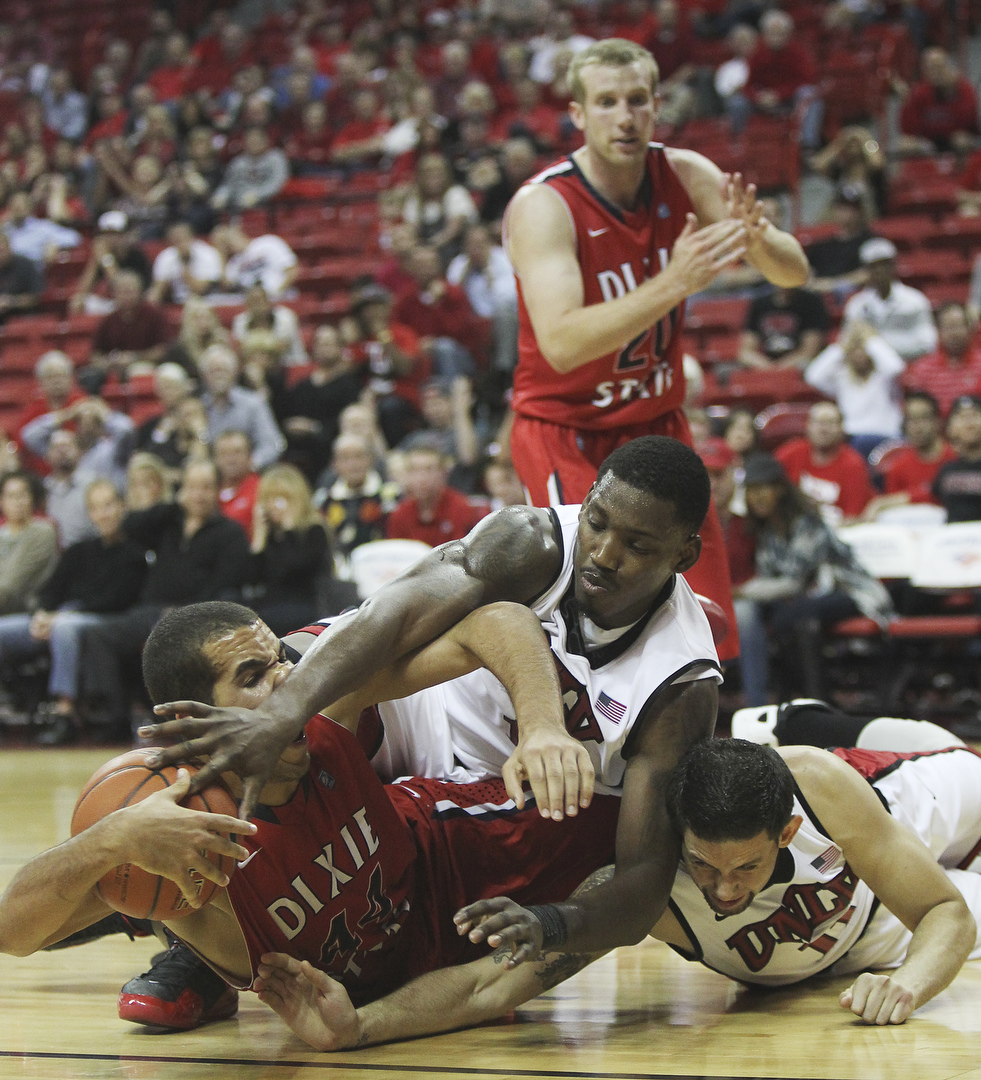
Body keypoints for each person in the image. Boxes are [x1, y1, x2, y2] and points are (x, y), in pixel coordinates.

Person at [141, 436, 724, 966]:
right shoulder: (531, 542)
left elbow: (644, 881)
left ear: (684, 555)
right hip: (425, 696)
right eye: (596, 523)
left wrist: (550, 924)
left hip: (512, 792)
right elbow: (392, 611)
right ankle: (165, 904)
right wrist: (279, 713)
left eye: (636, 546)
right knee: (261, 698)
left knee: (356, 871)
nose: (603, 553)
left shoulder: (680, 688)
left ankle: (211, 946)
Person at [0, 599, 621, 1033]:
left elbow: (496, 619)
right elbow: (12, 931)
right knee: (145, 895)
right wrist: (109, 842)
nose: (289, 682)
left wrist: (541, 725)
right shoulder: (186, 837)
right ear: (193, 720)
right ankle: (172, 940)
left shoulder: (325, 709)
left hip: (451, 857)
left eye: (281, 659)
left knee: (620, 842)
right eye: (254, 676)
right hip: (394, 972)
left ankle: (175, 946)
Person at [252, 734, 981, 1048]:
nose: (725, 890)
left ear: (785, 833)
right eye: (705, 867)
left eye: (745, 869)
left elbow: (940, 912)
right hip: (866, 942)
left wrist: (909, 985)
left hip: (907, 811)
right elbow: (486, 985)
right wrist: (360, 1028)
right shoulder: (640, 892)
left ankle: (827, 723)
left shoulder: (816, 788)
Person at [504, 38, 809, 664]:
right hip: (568, 428)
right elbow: (561, 344)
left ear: (656, 105)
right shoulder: (545, 205)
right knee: (596, 615)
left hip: (657, 425)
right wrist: (674, 282)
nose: (625, 117)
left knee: (702, 614)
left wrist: (759, 239)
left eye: (637, 100)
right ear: (578, 114)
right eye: (607, 102)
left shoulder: (687, 174)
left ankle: (699, 722)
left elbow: (793, 271)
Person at [80, 459, 251, 736]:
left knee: (169, 640)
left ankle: (174, 718)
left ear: (217, 490)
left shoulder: (230, 532)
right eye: (192, 487)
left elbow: (225, 584)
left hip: (195, 617)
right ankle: (114, 718)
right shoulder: (169, 522)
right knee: (99, 634)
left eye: (205, 487)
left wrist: (184, 612)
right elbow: (130, 525)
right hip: (149, 610)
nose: (198, 495)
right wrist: (173, 506)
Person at [733, 453, 892, 708]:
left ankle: (816, 699)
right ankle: (796, 700)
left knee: (794, 617)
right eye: (751, 491)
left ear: (780, 489)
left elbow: (793, 583)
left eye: (763, 489)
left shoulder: (806, 522)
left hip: (848, 591)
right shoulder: (767, 531)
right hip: (806, 600)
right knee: (784, 617)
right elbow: (771, 580)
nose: (757, 497)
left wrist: (742, 592)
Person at [0, 479, 147, 744]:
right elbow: (52, 589)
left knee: (64, 629)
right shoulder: (78, 550)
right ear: (90, 513)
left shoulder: (134, 554)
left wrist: (60, 617)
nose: (104, 514)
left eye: (109, 505)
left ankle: (64, 713)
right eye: (96, 508)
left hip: (101, 619)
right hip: (58, 617)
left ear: (121, 507)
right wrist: (42, 613)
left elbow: (117, 600)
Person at [248, 464, 329, 636]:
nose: (274, 505)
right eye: (269, 498)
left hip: (304, 604)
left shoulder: (314, 531)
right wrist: (259, 540)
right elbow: (251, 580)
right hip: (270, 603)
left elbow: (291, 569)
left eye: (282, 498)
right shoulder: (268, 535)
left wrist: (289, 531)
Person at [804, 323, 905, 458]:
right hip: (851, 437)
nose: (858, 353)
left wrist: (870, 340)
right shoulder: (842, 378)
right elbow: (812, 376)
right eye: (853, 349)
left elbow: (896, 367)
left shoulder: (884, 376)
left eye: (863, 348)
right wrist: (841, 345)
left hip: (886, 435)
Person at [775, 401, 874, 523]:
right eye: (818, 422)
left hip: (839, 528)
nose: (823, 429)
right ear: (807, 426)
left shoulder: (854, 465)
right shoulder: (790, 454)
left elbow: (852, 518)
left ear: (841, 429)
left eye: (830, 423)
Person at [841, 239, 937, 364]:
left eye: (884, 265)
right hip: (868, 370)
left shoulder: (915, 300)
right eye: (873, 266)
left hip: (908, 365)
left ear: (894, 266)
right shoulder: (856, 305)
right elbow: (846, 343)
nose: (879, 270)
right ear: (866, 270)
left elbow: (927, 343)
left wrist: (877, 345)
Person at [865, 391, 957, 518]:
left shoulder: (955, 459)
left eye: (923, 418)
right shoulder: (898, 467)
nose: (917, 426)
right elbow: (892, 509)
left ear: (938, 421)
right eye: (910, 420)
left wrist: (909, 497)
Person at [385, 437, 489, 547]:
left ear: (443, 473)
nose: (422, 478)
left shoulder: (461, 509)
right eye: (414, 470)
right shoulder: (399, 515)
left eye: (429, 469)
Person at [199, 344, 285, 472]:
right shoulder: (198, 406)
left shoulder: (253, 403)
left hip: (249, 473)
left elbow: (273, 445)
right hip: (211, 475)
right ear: (204, 376)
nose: (219, 375)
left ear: (234, 373)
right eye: (213, 371)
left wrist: (250, 465)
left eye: (223, 370)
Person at [901, 303, 981, 419]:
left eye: (959, 326)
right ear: (938, 331)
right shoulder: (922, 369)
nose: (954, 334)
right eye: (948, 327)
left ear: (970, 328)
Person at [0, 471, 58, 617]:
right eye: (11, 496)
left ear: (32, 498)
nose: (17, 502)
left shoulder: (43, 532)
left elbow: (11, 584)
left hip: (27, 611)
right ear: (2, 501)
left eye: (22, 495)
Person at [737, 286, 829, 372]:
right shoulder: (759, 304)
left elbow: (810, 351)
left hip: (800, 366)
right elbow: (746, 352)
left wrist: (780, 368)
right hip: (767, 365)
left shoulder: (811, 302)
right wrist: (768, 367)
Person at [932, 394, 981, 523]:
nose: (969, 421)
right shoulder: (946, 469)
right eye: (961, 416)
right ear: (949, 428)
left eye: (975, 414)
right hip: (952, 534)